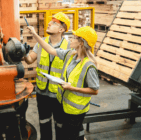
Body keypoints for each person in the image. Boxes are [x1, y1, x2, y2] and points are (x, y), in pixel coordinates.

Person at [27, 25, 100, 140]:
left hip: (76, 110)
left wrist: (72, 88)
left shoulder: (88, 65)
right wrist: (35, 35)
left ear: (81, 43)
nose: (70, 39)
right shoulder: (70, 55)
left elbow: (95, 90)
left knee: (72, 136)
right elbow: (50, 49)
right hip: (65, 107)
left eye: (74, 38)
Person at [24, 12, 71, 140]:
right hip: (42, 91)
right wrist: (22, 51)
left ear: (62, 29)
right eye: (50, 21)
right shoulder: (41, 43)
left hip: (59, 94)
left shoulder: (69, 46)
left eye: (54, 23)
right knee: (44, 123)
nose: (49, 23)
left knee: (60, 125)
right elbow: (29, 60)